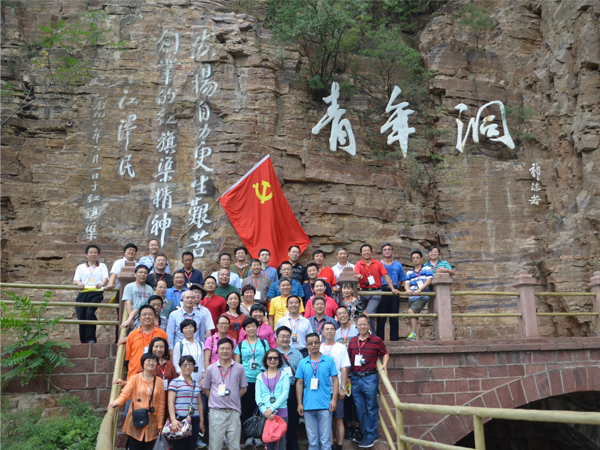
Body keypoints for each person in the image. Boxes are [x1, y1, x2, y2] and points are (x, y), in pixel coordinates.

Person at [108, 352, 165, 450]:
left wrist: (160, 424)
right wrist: (117, 402)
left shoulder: (159, 381)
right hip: (135, 420)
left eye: (154, 361)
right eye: (148, 360)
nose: (151, 363)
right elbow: (125, 394)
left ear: (157, 364)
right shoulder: (134, 378)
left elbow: (161, 404)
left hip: (152, 422)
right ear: (143, 363)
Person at [347, 314, 389, 448]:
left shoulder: (376, 340)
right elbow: (349, 359)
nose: (362, 327)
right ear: (356, 327)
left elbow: (385, 353)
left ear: (369, 325)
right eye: (360, 324)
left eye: (364, 324)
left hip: (370, 377)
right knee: (359, 408)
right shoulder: (352, 341)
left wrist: (384, 364)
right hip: (355, 378)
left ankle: (371, 434)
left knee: (371, 406)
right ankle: (366, 433)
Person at [203, 338, 248, 450]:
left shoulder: (239, 368)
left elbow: (243, 388)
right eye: (222, 348)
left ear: (232, 351)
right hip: (216, 412)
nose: (225, 351)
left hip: (234, 411)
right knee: (215, 446)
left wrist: (234, 397)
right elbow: (206, 389)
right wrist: (215, 399)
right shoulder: (210, 369)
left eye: (228, 348)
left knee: (234, 446)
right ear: (217, 350)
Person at [296, 333, 338, 450]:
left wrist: (334, 399)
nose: (313, 345)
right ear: (307, 345)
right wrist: (299, 403)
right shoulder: (303, 362)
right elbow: (299, 383)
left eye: (316, 342)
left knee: (325, 441)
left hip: (325, 405)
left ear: (320, 343)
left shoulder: (329, 360)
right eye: (310, 343)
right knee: (312, 442)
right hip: (308, 405)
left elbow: (335, 380)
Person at [234, 317, 270, 433]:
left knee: (261, 408)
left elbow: (269, 361)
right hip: (246, 382)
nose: (251, 329)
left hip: (262, 380)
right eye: (248, 327)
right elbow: (237, 365)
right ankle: (247, 435)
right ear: (244, 330)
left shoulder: (264, 343)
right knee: (246, 408)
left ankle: (260, 434)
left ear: (257, 327)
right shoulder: (240, 345)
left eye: (253, 326)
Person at [354, 244, 401, 331]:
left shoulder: (377, 263)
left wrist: (392, 288)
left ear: (371, 252)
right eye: (364, 251)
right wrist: (358, 276)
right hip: (364, 292)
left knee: (368, 313)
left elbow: (385, 276)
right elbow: (356, 275)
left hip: (376, 292)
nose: (366, 252)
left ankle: (371, 334)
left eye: (368, 250)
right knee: (367, 315)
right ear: (361, 253)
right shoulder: (358, 264)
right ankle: (370, 334)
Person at [321, 323, 350, 450]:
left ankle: (339, 446)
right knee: (326, 421)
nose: (329, 331)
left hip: (336, 389)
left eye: (332, 329)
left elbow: (344, 368)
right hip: (322, 390)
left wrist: (342, 388)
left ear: (335, 332)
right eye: (327, 329)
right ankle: (330, 446)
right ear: (322, 332)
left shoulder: (341, 347)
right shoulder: (319, 347)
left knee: (338, 419)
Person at [333, 307, 360, 442]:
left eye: (344, 313)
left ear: (349, 315)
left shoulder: (356, 328)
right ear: (336, 317)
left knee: (358, 401)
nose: (342, 315)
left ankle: (358, 428)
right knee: (347, 401)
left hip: (357, 370)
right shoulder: (336, 333)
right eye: (339, 314)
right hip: (344, 373)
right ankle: (348, 426)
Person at [73, 244, 109, 343]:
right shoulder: (81, 267)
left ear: (98, 255)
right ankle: (83, 341)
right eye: (91, 252)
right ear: (86, 254)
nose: (93, 254)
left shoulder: (102, 266)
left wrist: (101, 284)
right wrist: (79, 283)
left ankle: (91, 338)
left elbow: (105, 277)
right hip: (83, 293)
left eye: (95, 252)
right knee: (81, 317)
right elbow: (76, 279)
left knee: (90, 312)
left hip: (96, 293)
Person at [168, 355, 205, 450]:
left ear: (194, 367)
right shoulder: (175, 382)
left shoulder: (197, 383)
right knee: (179, 446)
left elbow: (199, 403)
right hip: (180, 418)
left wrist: (201, 421)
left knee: (191, 446)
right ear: (180, 366)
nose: (188, 367)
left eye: (190, 365)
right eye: (185, 365)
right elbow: (170, 402)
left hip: (194, 418)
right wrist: (173, 420)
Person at [256, 349, 291, 450]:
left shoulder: (284, 375)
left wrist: (271, 409)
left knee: (280, 444)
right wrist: (265, 411)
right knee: (268, 443)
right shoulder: (259, 377)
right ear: (265, 360)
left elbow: (285, 394)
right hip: (265, 413)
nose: (272, 360)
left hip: (281, 412)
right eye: (270, 358)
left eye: (275, 358)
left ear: (279, 360)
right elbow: (258, 396)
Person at [275, 326, 303, 450]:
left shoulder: (297, 353)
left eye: (287, 336)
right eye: (282, 336)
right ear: (276, 338)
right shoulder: (272, 354)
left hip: (293, 391)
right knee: (278, 423)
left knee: (293, 423)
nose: (285, 339)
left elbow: (301, 376)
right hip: (277, 392)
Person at [125, 305, 168, 380]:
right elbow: (128, 357)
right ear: (139, 318)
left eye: (150, 314)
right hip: (135, 375)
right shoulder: (132, 334)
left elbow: (165, 356)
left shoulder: (162, 334)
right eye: (144, 314)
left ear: (154, 317)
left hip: (155, 376)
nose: (147, 316)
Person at [167, 290, 214, 355]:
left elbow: (202, 335)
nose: (190, 300)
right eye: (187, 297)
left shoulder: (200, 316)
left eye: (192, 298)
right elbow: (170, 334)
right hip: (180, 349)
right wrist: (171, 351)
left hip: (196, 350)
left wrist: (202, 350)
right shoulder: (174, 315)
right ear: (182, 299)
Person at [376, 243, 405, 342]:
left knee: (394, 317)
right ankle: (380, 341)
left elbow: (401, 280)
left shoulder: (398, 265)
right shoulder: (378, 264)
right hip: (382, 290)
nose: (387, 251)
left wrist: (395, 287)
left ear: (392, 251)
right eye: (385, 250)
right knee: (381, 317)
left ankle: (394, 340)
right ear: (382, 252)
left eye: (389, 249)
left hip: (394, 292)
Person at [404, 250, 433, 342]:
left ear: (421, 259)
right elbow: (406, 283)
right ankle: (416, 339)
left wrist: (420, 289)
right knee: (413, 316)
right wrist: (407, 289)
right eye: (413, 258)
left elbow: (428, 281)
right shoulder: (410, 272)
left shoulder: (427, 268)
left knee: (411, 311)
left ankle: (412, 333)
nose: (415, 259)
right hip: (412, 296)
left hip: (422, 296)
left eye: (417, 258)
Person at [120, 265, 153, 330]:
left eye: (145, 273)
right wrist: (132, 319)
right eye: (140, 272)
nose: (143, 274)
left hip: (147, 318)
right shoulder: (129, 286)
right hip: (135, 318)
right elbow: (128, 303)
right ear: (135, 274)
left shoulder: (150, 288)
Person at [173, 319, 205, 384]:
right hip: (184, 380)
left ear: (195, 329)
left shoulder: (201, 344)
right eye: (185, 328)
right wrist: (184, 378)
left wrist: (203, 377)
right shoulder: (179, 345)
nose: (188, 330)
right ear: (182, 330)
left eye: (190, 327)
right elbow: (176, 363)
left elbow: (203, 362)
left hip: (199, 378)